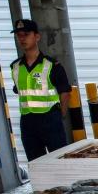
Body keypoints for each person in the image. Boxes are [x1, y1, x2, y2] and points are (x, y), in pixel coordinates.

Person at [9, 19, 71, 161]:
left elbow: (65, 93)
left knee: (59, 160)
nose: (22, 38)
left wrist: (59, 115)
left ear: (37, 37)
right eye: (19, 35)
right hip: (28, 121)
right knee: (35, 162)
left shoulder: (52, 65)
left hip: (50, 118)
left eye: (26, 34)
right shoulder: (16, 67)